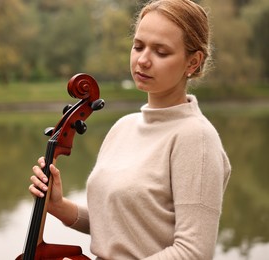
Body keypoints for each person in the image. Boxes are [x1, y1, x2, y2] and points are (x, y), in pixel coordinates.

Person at [29, 0, 231, 259]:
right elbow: (120, 227)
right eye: (138, 46)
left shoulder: (196, 139)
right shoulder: (123, 127)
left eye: (161, 52)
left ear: (192, 62)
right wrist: (59, 206)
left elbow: (193, 252)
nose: (143, 60)